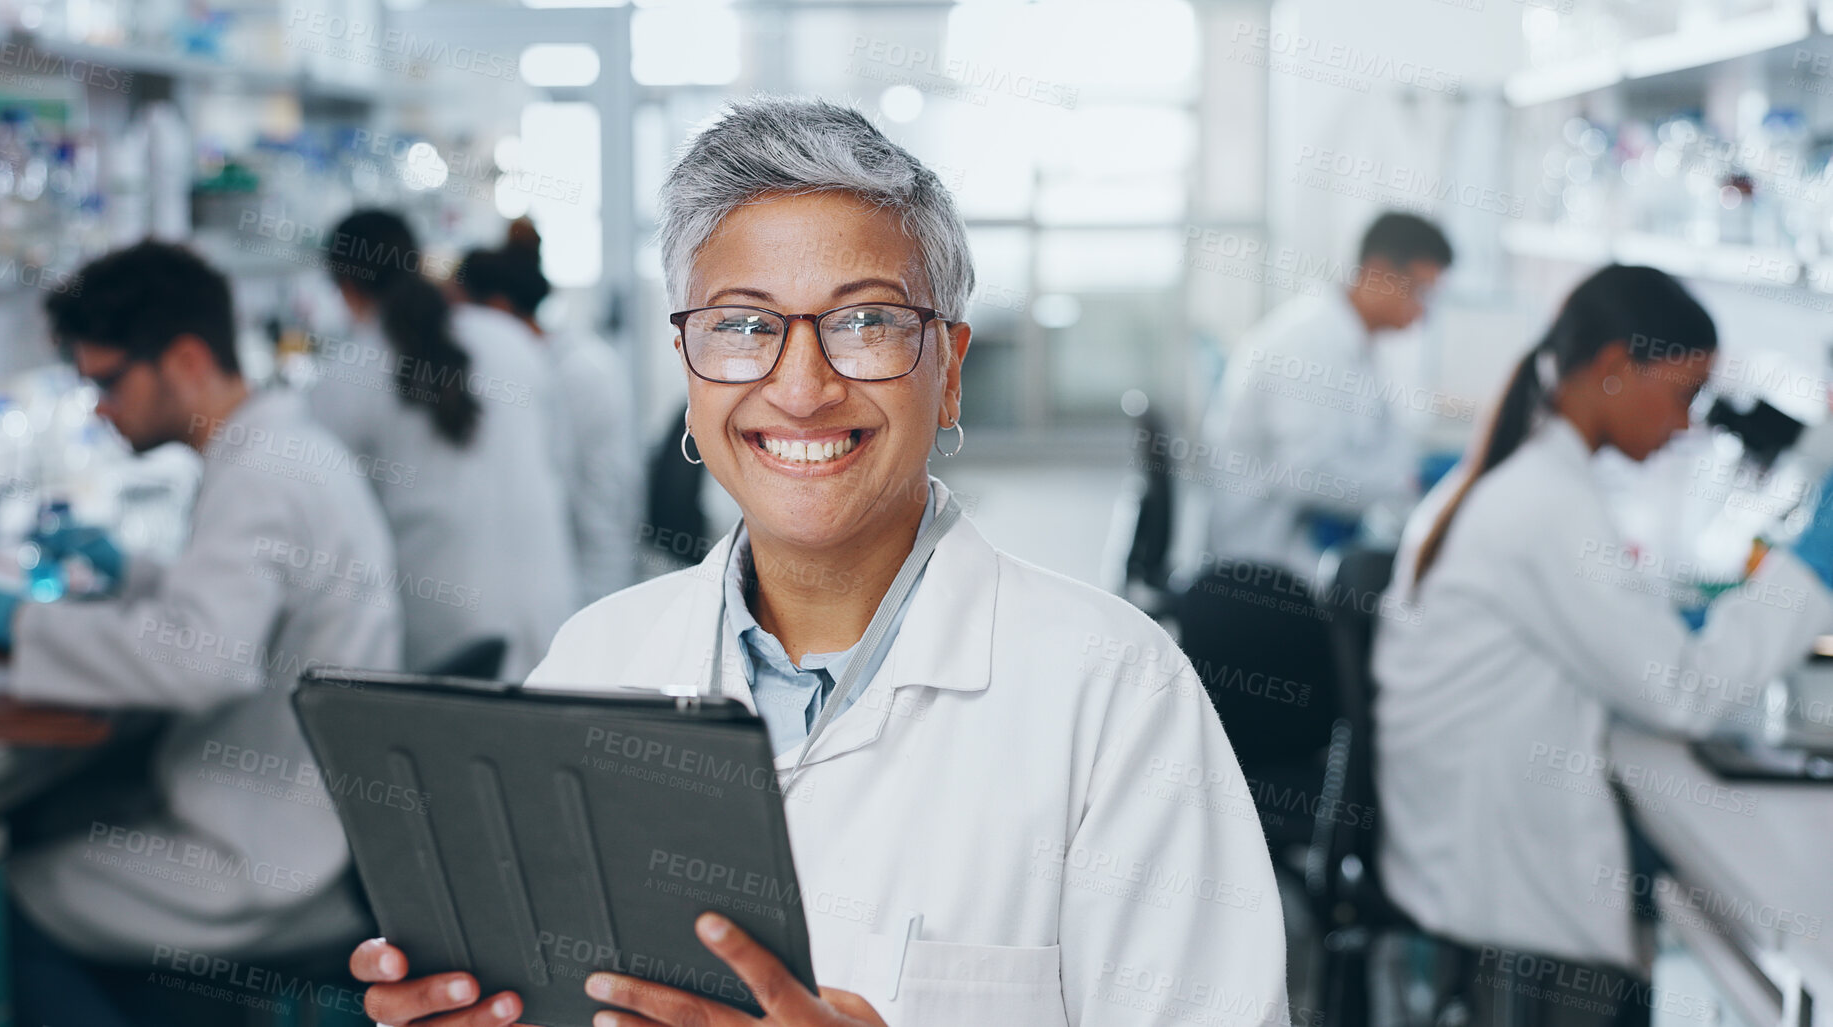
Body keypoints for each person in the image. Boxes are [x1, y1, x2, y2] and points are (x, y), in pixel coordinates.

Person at [347, 97, 1287, 1027]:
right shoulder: (595, 662)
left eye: (866, 322)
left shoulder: (1116, 692)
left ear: (948, 368)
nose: (800, 388)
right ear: (686, 366)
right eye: (744, 326)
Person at [0, 241, 402, 1025]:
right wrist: (136, 574)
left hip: (272, 857)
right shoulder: (280, 447)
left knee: (0, 896)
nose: (98, 408)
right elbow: (245, 612)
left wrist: (20, 622)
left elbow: (202, 664)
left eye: (108, 380)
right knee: (58, 825)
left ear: (183, 359)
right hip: (313, 826)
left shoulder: (262, 474)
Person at [1373, 265, 1833, 1023]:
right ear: (1616, 368)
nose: (1686, 424)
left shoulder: (1523, 472)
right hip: (1503, 879)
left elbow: (1618, 635)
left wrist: (1675, 622)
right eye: (1681, 393)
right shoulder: (1544, 504)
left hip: (1460, 847)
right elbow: (1681, 693)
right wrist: (1808, 564)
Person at [310, 209, 579, 678]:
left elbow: (334, 531)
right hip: (549, 610)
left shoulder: (344, 379)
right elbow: (557, 468)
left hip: (442, 633)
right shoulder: (511, 341)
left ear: (345, 288)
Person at [1198, 211, 1454, 575]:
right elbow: (1304, 476)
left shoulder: (1356, 343)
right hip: (1268, 560)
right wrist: (1406, 483)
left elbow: (1377, 440)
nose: (1424, 312)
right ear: (1379, 273)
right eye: (1420, 291)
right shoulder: (1309, 347)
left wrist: (1410, 473)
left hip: (1309, 538)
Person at [463, 220, 645, 605]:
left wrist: (598, 613)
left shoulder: (580, 373)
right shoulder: (528, 370)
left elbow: (602, 510)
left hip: (592, 587)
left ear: (496, 308)